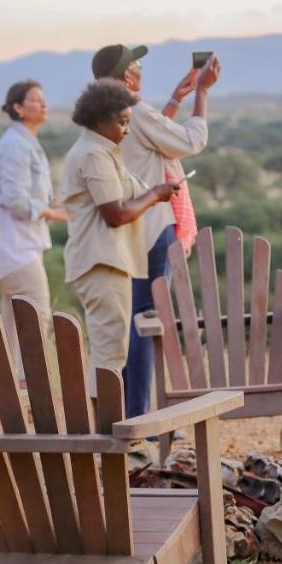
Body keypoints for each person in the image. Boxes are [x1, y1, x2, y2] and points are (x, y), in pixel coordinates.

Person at [89, 43, 222, 417]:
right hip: (151, 229)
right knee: (146, 320)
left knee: (129, 318)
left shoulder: (101, 115)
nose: (142, 69)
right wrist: (203, 93)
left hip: (121, 231)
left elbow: (148, 148)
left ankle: (128, 410)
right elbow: (189, 142)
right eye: (137, 65)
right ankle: (141, 415)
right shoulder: (135, 110)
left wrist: (175, 102)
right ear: (127, 76)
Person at [60, 78, 181, 393]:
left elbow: (133, 189)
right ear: (102, 120)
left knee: (112, 348)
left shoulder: (105, 150)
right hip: (100, 261)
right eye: (123, 122)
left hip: (110, 261)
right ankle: (103, 433)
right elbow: (115, 214)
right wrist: (155, 195)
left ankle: (106, 430)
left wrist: (160, 187)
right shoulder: (94, 155)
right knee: (109, 352)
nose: (128, 130)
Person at [0, 79, 66, 381]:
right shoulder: (15, 145)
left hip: (14, 238)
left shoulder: (26, 142)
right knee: (37, 313)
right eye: (35, 100)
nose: (43, 104)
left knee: (14, 317)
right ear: (18, 108)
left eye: (43, 99)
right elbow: (17, 201)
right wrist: (54, 213)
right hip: (9, 239)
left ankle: (10, 389)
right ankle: (28, 386)